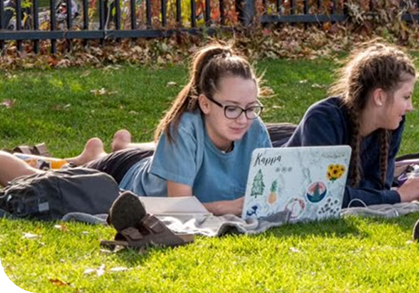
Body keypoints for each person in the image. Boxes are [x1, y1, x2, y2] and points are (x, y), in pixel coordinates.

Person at [0, 43, 272, 216]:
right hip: (122, 178)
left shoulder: (255, 129)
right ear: (205, 103)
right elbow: (180, 208)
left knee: (79, 168)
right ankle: (95, 158)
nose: (243, 118)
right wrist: (230, 207)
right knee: (38, 178)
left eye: (251, 107)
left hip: (150, 161)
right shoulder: (184, 129)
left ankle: (94, 155)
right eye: (232, 108)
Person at [285, 41, 419, 206]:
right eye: (406, 97)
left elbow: (379, 188)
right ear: (379, 97)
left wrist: (368, 194)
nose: (410, 107)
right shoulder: (322, 120)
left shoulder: (392, 124)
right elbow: (323, 195)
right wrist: (397, 196)